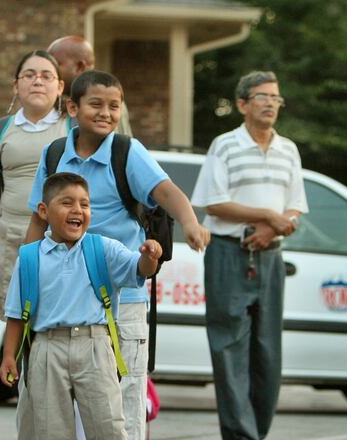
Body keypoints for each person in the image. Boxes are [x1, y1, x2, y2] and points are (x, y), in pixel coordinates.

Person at [25, 70, 210, 440]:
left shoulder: (127, 152)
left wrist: (190, 222)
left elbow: (167, 192)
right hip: (66, 300)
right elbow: (37, 218)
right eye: (96, 104)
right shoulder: (55, 153)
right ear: (72, 107)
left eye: (114, 105)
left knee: (123, 409)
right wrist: (27, 274)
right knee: (65, 407)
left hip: (122, 300)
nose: (106, 113)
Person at [0, 172, 163, 440]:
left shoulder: (103, 248)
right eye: (67, 203)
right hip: (47, 347)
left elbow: (138, 269)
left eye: (85, 204)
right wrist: (9, 356)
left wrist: (150, 257)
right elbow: (16, 314)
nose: (77, 210)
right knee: (50, 429)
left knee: (108, 426)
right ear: (43, 210)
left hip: (94, 345)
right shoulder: (30, 257)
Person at [190, 71, 308, 440]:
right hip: (229, 252)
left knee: (268, 351)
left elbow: (295, 208)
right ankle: (241, 435)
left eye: (276, 98)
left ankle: (256, 431)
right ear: (242, 104)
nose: (271, 103)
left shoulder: (288, 149)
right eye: (263, 96)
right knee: (229, 348)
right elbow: (214, 203)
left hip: (271, 256)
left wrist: (274, 227)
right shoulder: (225, 145)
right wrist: (266, 217)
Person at [0, 49, 68, 316]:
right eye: (29, 75)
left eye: (46, 76)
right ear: (16, 85)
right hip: (11, 242)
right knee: (16, 324)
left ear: (60, 86)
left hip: (62, 242)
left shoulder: (74, 129)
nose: (37, 81)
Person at [48, 35, 132, 136]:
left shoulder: (111, 101)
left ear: (80, 67)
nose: (50, 71)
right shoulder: (50, 100)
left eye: (56, 64)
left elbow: (120, 146)